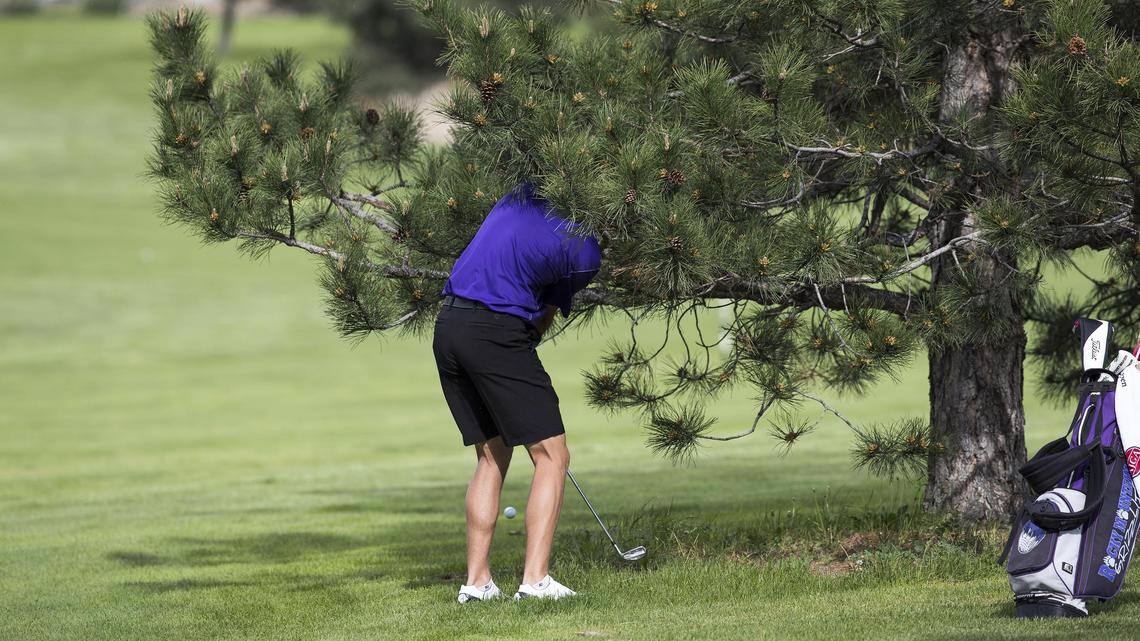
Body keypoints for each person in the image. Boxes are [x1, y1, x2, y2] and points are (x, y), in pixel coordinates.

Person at [432, 181, 602, 603]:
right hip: (496, 333)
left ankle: (477, 585)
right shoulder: (585, 250)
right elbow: (539, 319)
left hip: (448, 326)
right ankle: (536, 581)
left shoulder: (521, 192)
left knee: (491, 455)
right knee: (552, 455)